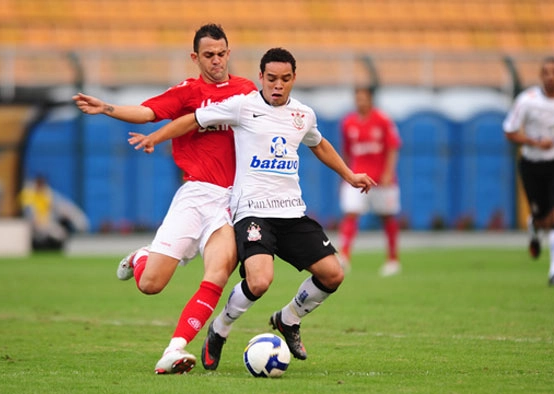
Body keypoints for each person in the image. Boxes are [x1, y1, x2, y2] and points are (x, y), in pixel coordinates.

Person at [128, 47, 376, 370]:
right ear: (260, 78)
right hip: (252, 213)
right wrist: (156, 137)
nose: (278, 85)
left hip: (291, 213)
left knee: (333, 274)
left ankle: (288, 319)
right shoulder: (242, 106)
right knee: (259, 281)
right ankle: (220, 329)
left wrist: (349, 174)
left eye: (285, 79)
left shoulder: (303, 114)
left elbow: (320, 144)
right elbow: (193, 119)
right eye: (271, 78)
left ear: (293, 79)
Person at [72, 24, 257, 374]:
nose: (216, 61)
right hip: (196, 195)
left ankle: (175, 349)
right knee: (150, 285)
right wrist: (106, 108)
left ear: (229, 53)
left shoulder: (247, 91)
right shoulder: (187, 92)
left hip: (232, 202)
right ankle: (142, 257)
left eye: (221, 53)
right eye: (208, 55)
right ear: (195, 58)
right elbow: (147, 113)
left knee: (218, 273)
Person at [503, 56, 554, 287]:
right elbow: (509, 132)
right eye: (546, 72)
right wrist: (535, 142)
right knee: (543, 219)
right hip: (533, 164)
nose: (551, 76)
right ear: (540, 76)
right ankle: (535, 226)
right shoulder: (527, 101)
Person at [337, 86, 402, 276]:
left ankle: (392, 259)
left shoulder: (382, 119)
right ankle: (345, 257)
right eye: (358, 98)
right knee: (351, 213)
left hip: (381, 179)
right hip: (357, 177)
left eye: (364, 98)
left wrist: (389, 172)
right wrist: (346, 173)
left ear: (371, 100)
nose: (361, 102)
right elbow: (347, 151)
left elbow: (393, 146)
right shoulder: (348, 123)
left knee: (387, 216)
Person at [18, 174, 89, 250]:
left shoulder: (47, 193)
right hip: (33, 223)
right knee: (55, 233)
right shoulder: (28, 194)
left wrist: (78, 219)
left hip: (46, 222)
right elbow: (28, 211)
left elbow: (61, 205)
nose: (41, 186)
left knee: (59, 232)